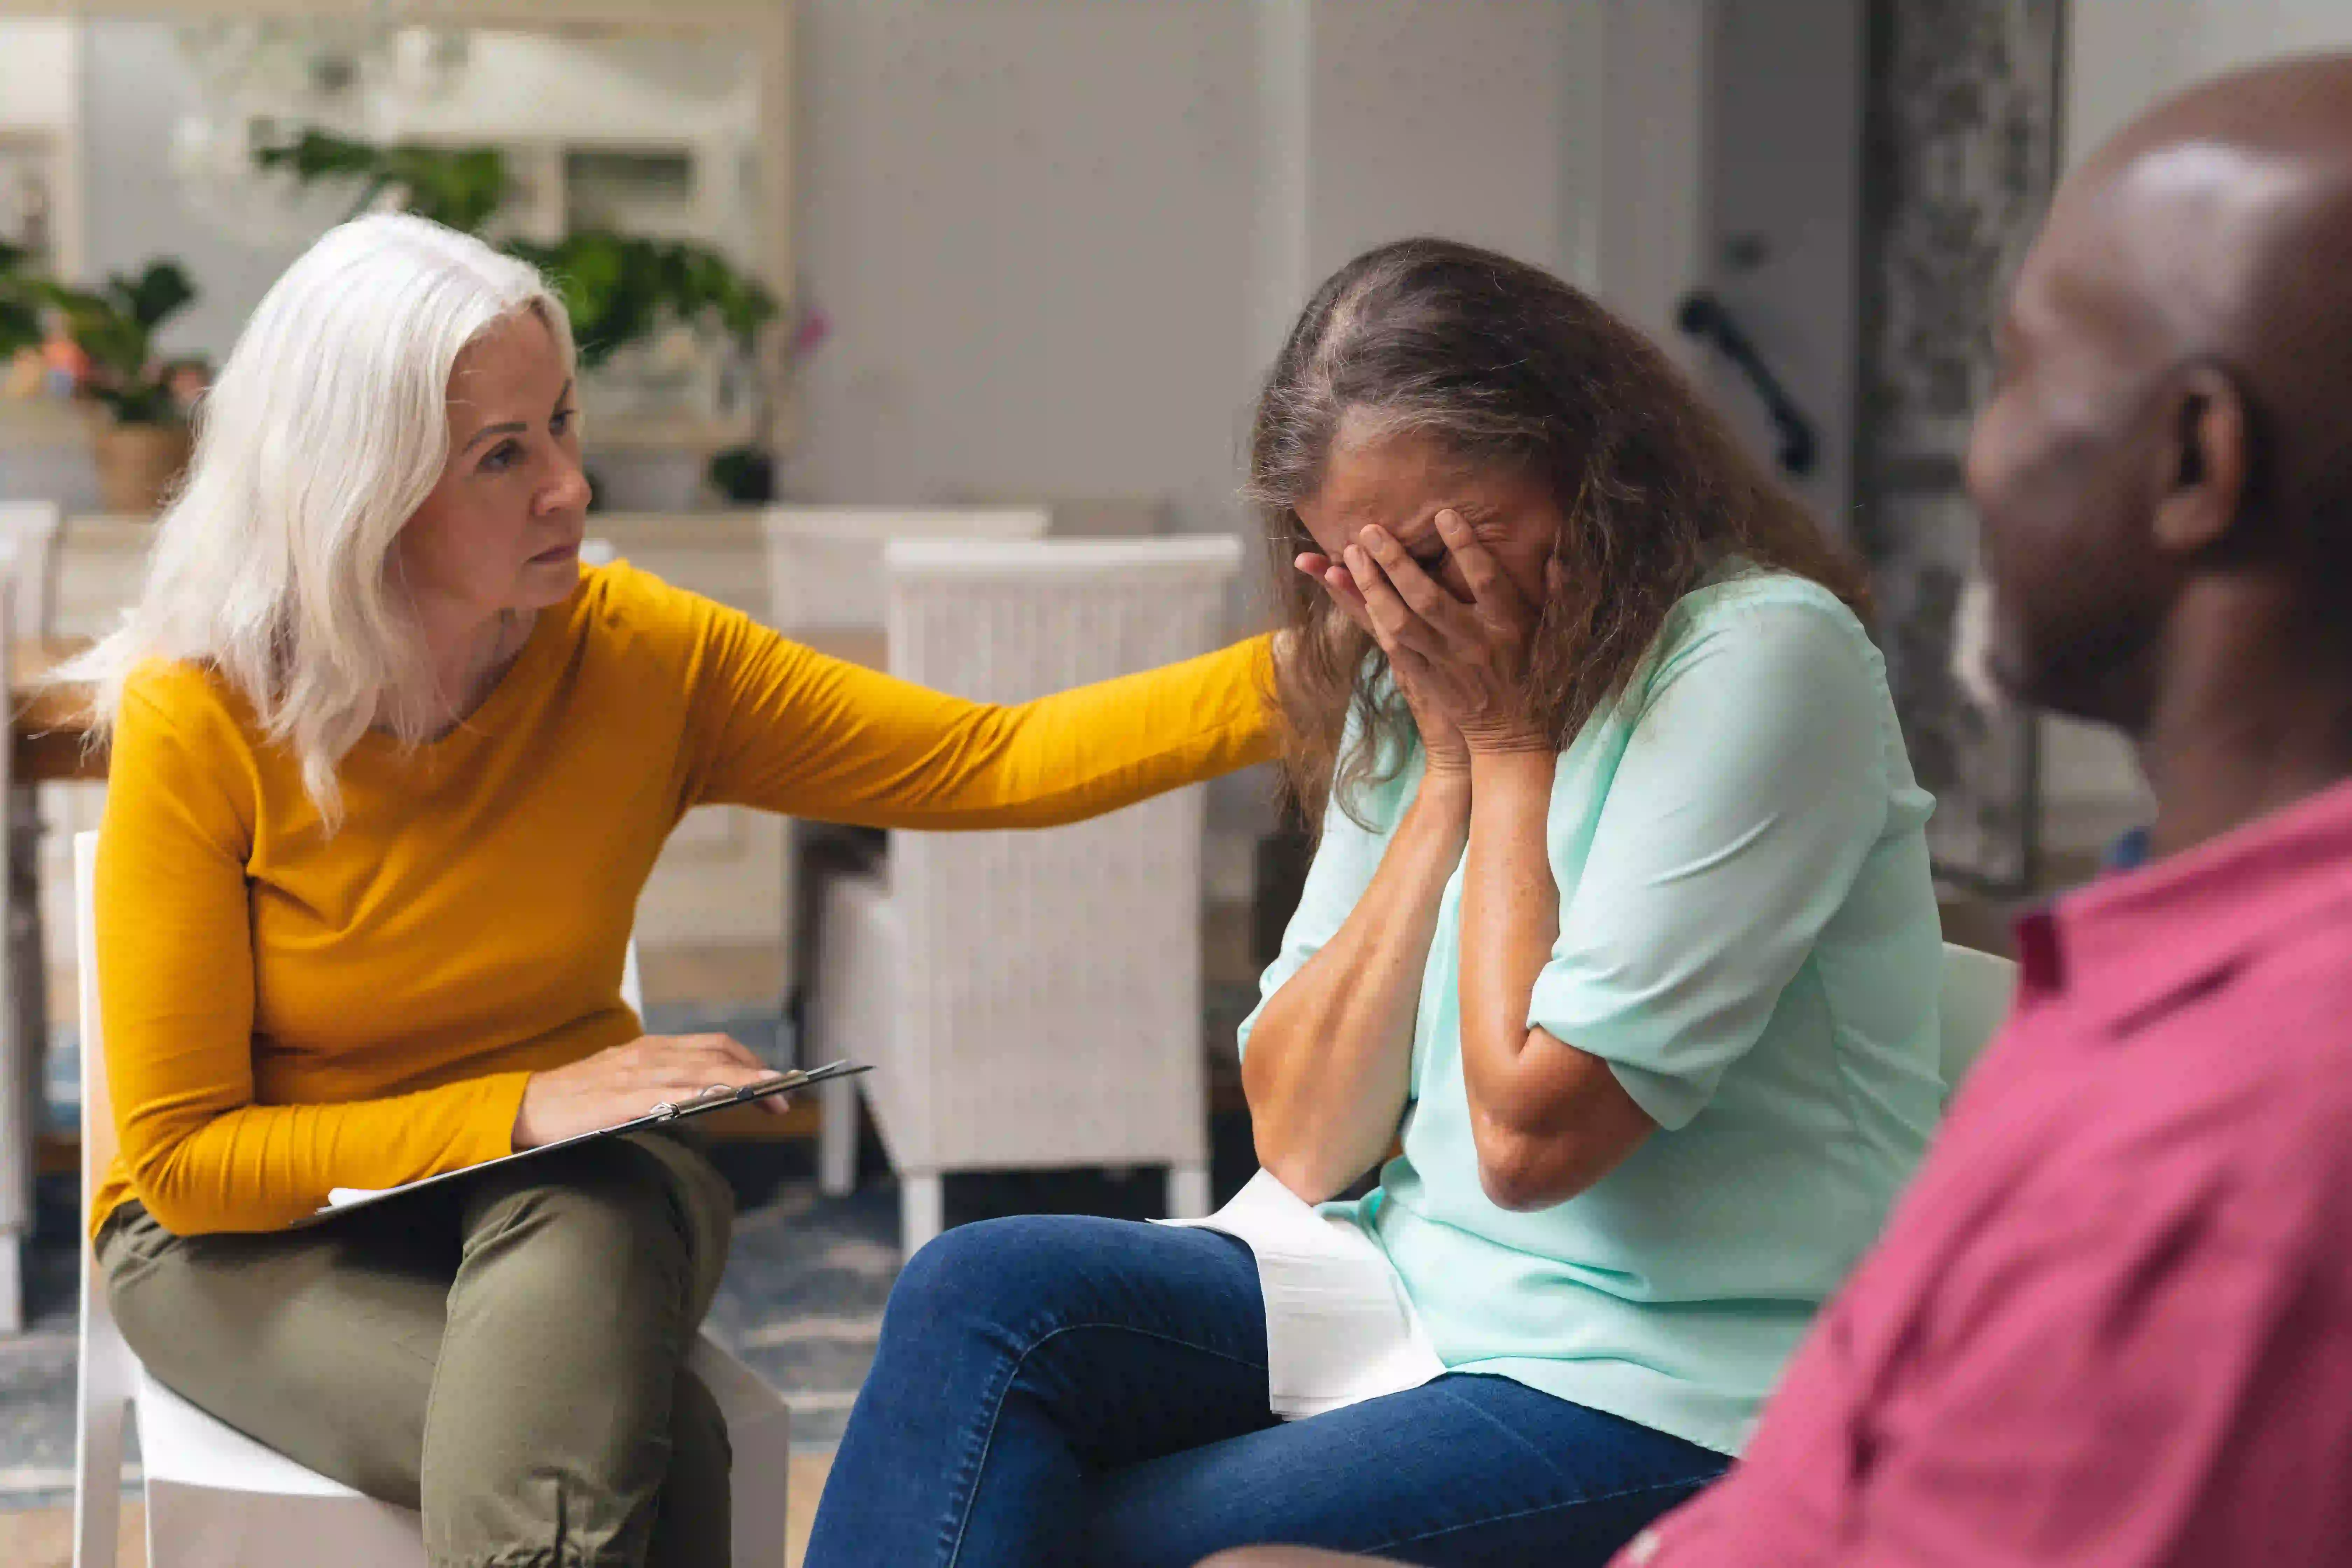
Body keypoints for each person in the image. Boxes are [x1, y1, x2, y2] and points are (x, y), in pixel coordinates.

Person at [1216, 49, 2352, 1568]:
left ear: (2200, 457)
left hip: (1640, 1386)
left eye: (2019, 371)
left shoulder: (2257, 1092)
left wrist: (1504, 740)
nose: (1974, 448)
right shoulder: (2138, 982)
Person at [74, 212, 1278, 1568]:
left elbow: (985, 758)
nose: (570, 488)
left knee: (588, 1210)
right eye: (504, 455)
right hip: (249, 1239)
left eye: (564, 427)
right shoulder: (202, 715)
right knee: (663, 1444)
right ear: (364, 487)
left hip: (578, 1187)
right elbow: (183, 1166)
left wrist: (1299, 677)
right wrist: (520, 1105)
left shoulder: (639, 656)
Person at [803, 238, 1946, 1568]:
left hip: (1682, 1380)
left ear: (1591, 464)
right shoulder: (1420, 674)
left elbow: (1532, 1146)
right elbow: (1301, 1140)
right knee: (977, 1293)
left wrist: (1514, 747)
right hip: (1406, 1292)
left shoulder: (1762, 659)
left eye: (1449, 545)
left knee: (1081, 1535)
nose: (1414, 604)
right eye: (1367, 569)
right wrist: (1452, 773)